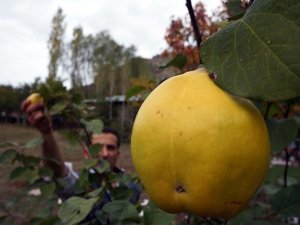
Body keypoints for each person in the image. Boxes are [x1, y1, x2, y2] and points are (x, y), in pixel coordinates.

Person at [21, 98, 141, 222]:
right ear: (86, 154)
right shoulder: (82, 184)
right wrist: (47, 133)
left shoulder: (131, 186)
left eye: (110, 148)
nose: (105, 154)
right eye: (97, 148)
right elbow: (59, 173)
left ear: (118, 153)